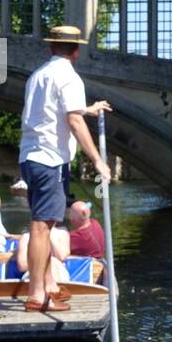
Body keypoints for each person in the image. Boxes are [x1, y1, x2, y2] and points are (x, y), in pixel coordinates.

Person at [19, 24, 112, 312]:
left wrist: (89, 108)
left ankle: (49, 284)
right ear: (77, 50)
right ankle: (37, 295)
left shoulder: (38, 76)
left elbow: (56, 111)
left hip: (30, 158)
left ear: (50, 48)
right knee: (40, 226)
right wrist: (98, 161)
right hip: (50, 160)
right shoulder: (69, 77)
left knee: (45, 226)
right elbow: (73, 121)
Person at [65, 201, 106, 284]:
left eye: (70, 213)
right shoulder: (95, 223)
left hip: (90, 269)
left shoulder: (76, 237)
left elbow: (62, 251)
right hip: (100, 263)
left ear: (72, 219)